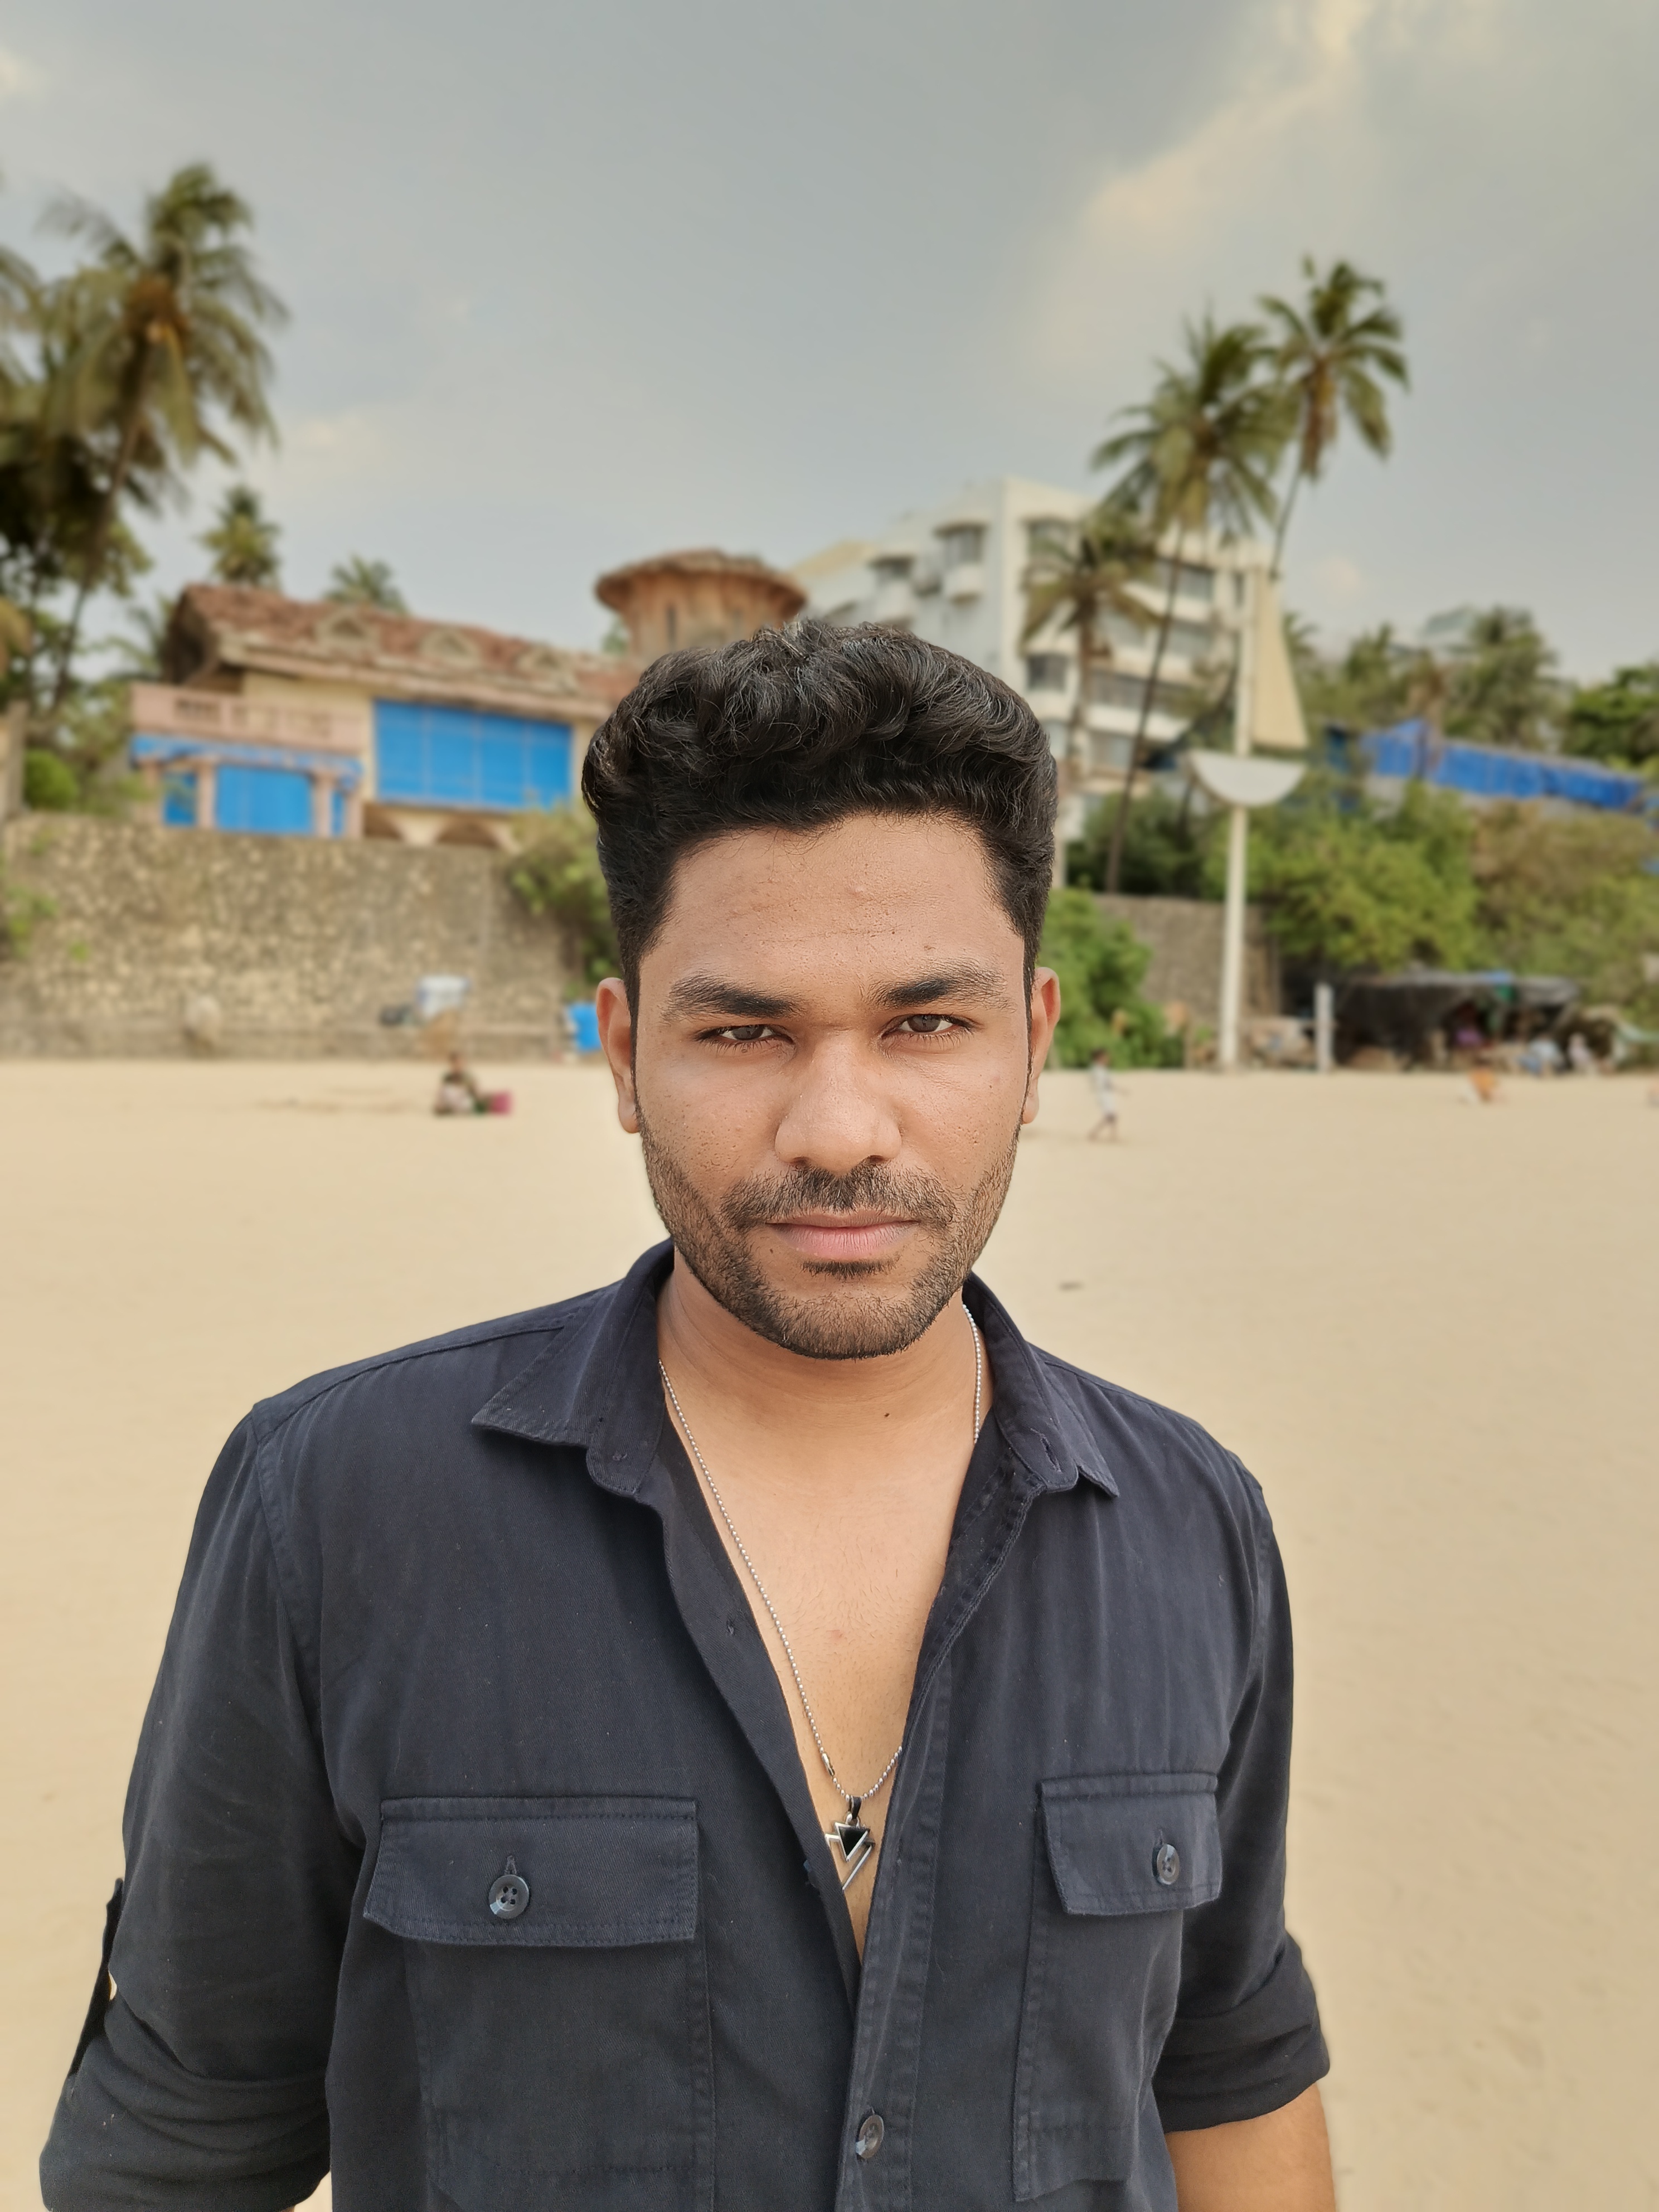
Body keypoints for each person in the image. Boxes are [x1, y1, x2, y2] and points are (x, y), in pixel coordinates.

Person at [41, 622, 1333, 2212]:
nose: (840, 1130)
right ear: (624, 1049)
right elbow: (178, 2145)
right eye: (743, 1030)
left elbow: (1228, 2068)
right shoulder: (333, 1503)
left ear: (1036, 1040)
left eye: (927, 1023)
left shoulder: (1196, 1523)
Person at [433, 1048, 486, 1114]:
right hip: (451, 1102)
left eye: (461, 1063)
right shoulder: (447, 1078)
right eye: (456, 1063)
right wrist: (439, 1103)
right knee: (447, 1091)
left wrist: (475, 1092)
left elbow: (478, 1095)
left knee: (467, 1101)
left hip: (464, 1103)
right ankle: (449, 1109)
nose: (459, 1066)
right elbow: (440, 1094)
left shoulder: (469, 1078)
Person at [1087, 1044, 1122, 1141]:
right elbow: (1103, 1083)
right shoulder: (1098, 1070)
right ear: (1099, 1058)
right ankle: (1111, 1136)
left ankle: (1100, 1134)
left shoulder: (1100, 1069)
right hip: (1103, 1095)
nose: (1107, 1059)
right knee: (1111, 1116)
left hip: (1105, 1095)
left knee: (1111, 1116)